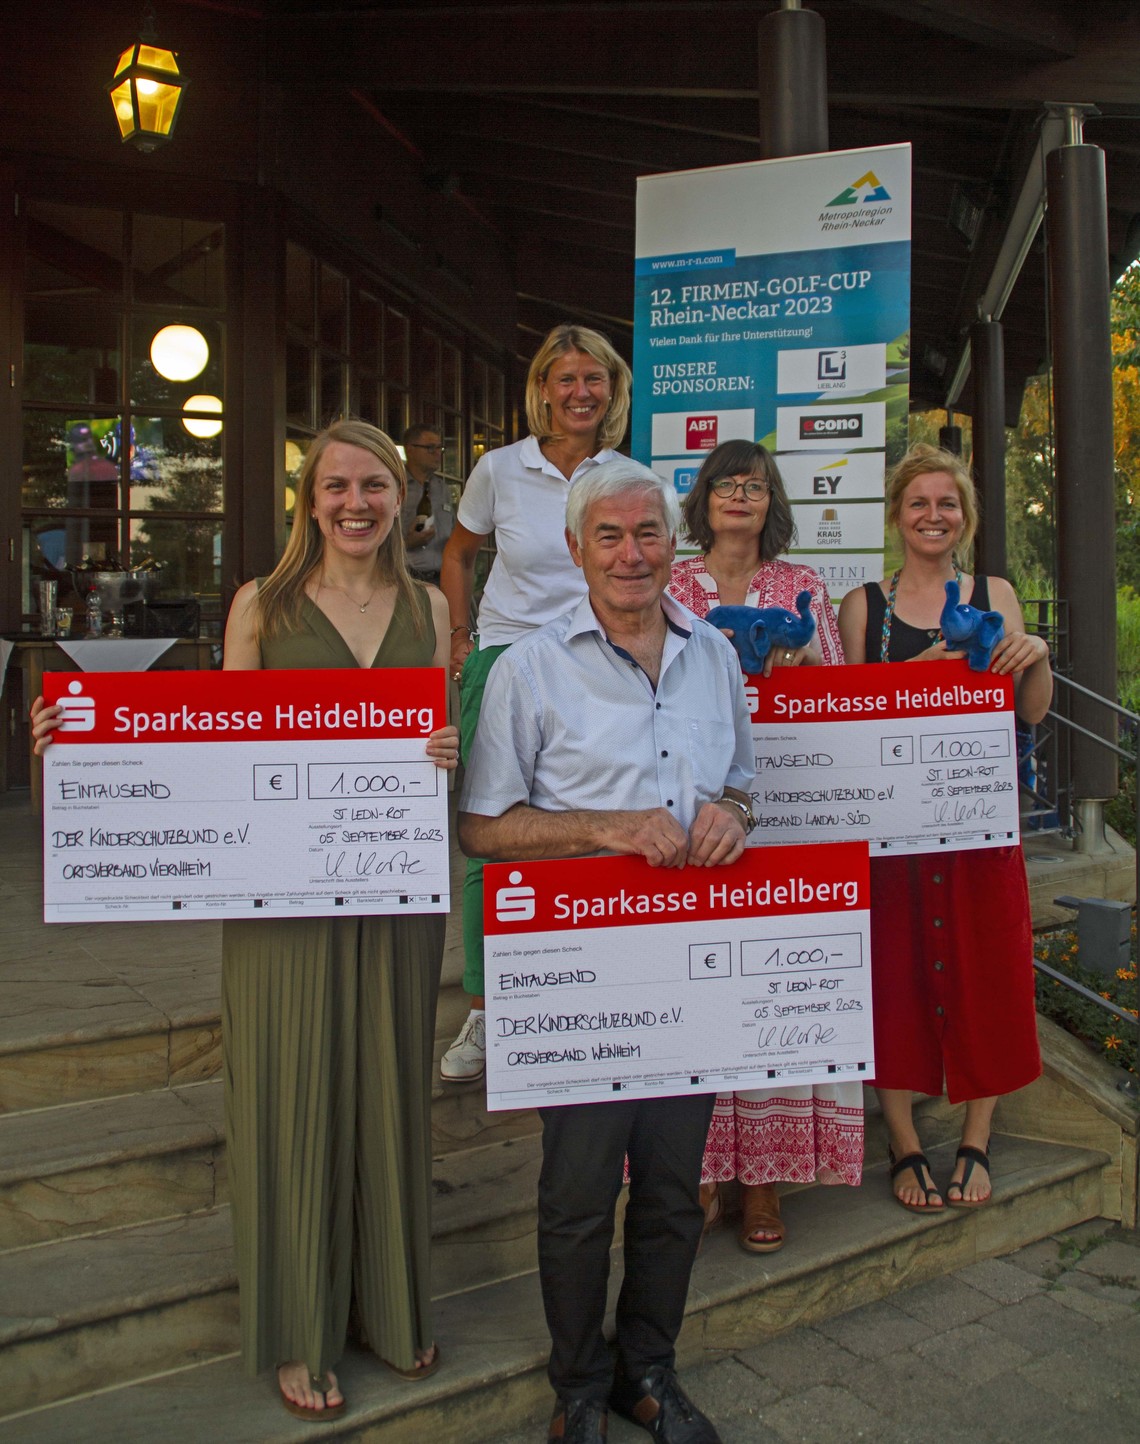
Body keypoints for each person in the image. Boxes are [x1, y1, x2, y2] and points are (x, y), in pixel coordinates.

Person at [34, 419, 461, 1419]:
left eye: (375, 486)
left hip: (394, 894)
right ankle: (297, 1327)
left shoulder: (435, 607)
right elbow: (220, 754)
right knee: (291, 1091)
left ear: (402, 499)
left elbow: (443, 745)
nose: (355, 503)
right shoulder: (260, 607)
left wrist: (443, 749)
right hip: (283, 902)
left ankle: (389, 1307)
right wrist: (84, 744)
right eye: (336, 486)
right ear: (308, 501)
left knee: (391, 1085)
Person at [459, 458, 752, 1444]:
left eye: (649, 534)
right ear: (578, 549)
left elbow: (743, 783)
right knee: (579, 1194)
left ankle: (650, 1372)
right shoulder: (529, 667)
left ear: (676, 545)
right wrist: (609, 828)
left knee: (672, 1192)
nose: (633, 554)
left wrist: (732, 814)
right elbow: (483, 830)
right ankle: (578, 1387)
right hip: (580, 970)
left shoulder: (714, 654)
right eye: (611, 537)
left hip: (688, 971)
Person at [837, 442, 1052, 1212]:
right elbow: (848, 722)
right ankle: (901, 1139)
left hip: (978, 823)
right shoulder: (863, 604)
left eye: (948, 504)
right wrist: (925, 666)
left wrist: (1036, 655)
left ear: (965, 516)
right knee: (891, 976)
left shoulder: (995, 592)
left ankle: (975, 1136)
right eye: (919, 502)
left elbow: (1029, 711)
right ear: (897, 514)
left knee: (984, 968)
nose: (934, 515)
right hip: (892, 831)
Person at [667, 440, 862, 1254]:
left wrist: (808, 656)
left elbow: (841, 692)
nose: (738, 497)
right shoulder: (673, 583)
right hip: (693, 805)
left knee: (773, 986)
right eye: (725, 484)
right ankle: (697, 1169)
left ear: (770, 500)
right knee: (699, 986)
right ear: (704, 499)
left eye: (753, 486)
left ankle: (765, 1181)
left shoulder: (804, 586)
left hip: (790, 802)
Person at [438, 324, 632, 1082]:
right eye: (567, 379)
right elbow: (458, 554)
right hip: (508, 660)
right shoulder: (499, 468)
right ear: (543, 390)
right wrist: (460, 634)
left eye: (596, 379)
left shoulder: (627, 471)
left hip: (596, 667)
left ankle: (572, 990)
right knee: (491, 837)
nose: (581, 392)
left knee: (588, 827)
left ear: (612, 391)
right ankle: (488, 1010)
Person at [401, 423, 454, 584]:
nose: (438, 454)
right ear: (410, 449)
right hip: (404, 578)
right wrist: (407, 543)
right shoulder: (394, 485)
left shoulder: (442, 489)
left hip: (441, 580)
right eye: (431, 448)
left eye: (440, 448)